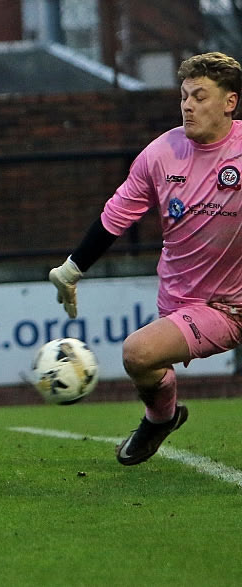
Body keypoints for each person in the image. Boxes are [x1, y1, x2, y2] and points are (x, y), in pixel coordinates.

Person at [48, 51, 242, 466]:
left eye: (200, 97)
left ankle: (158, 419)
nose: (188, 106)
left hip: (232, 304)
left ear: (230, 102)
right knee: (140, 357)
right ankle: (161, 417)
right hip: (181, 300)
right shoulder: (161, 154)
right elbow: (114, 217)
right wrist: (70, 270)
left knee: (139, 352)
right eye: (184, 96)